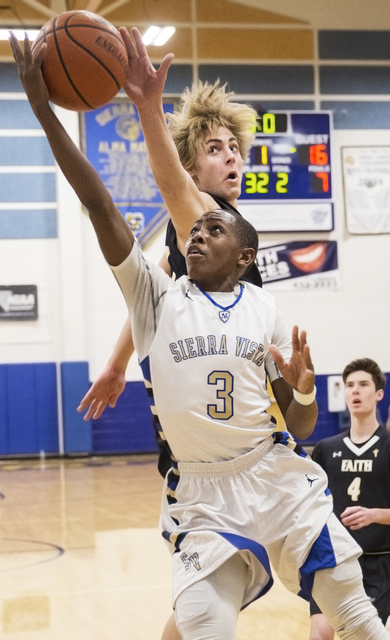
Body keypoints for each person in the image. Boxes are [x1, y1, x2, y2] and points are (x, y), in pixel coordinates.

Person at [10, 31, 390, 640]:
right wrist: (119, 109)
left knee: (345, 611)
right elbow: (113, 209)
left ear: (243, 254)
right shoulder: (188, 238)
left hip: (268, 464)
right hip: (200, 473)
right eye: (217, 149)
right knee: (203, 616)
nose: (201, 229)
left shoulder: (253, 293)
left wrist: (305, 394)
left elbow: (300, 426)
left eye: (237, 149)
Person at [77, 27, 262, 427]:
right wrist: (148, 107)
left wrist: (115, 364)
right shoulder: (207, 215)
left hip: (202, 386)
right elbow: (171, 181)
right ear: (192, 172)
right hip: (210, 397)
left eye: (233, 147)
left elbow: (147, 301)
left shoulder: (185, 243)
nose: (231, 155)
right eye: (214, 149)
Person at [308, 358, 390, 640]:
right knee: (319, 634)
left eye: (363, 385)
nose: (355, 391)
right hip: (333, 560)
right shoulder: (325, 449)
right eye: (350, 385)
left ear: (379, 393)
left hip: (378, 563)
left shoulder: (388, 446)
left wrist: (375, 515)